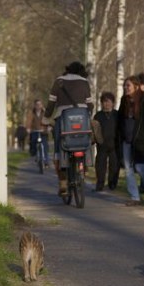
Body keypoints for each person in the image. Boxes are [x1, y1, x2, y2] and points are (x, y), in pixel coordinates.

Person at [43, 61, 94, 196]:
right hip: (82, 118)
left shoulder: (59, 81)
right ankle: (85, 165)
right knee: (85, 139)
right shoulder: (84, 82)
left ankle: (63, 183)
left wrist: (46, 118)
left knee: (59, 149)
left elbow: (51, 104)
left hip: (63, 118)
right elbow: (90, 105)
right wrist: (88, 114)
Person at [118, 76, 144, 206]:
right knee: (128, 168)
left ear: (136, 86)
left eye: (128, 85)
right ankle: (134, 197)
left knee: (140, 167)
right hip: (126, 140)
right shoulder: (124, 100)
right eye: (125, 86)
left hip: (140, 140)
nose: (126, 88)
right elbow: (120, 119)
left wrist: (141, 133)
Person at [93, 92, 120, 191]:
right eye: (104, 102)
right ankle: (100, 184)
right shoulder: (98, 116)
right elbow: (95, 130)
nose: (106, 104)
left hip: (114, 144)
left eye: (108, 102)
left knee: (114, 165)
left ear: (113, 103)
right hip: (101, 144)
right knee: (100, 166)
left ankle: (112, 184)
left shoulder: (117, 115)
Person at [26, 99, 50, 167]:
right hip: (35, 131)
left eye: (40, 104)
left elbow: (48, 120)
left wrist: (49, 127)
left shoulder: (44, 112)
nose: (38, 106)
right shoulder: (32, 113)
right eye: (37, 104)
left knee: (45, 145)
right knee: (33, 142)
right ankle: (34, 153)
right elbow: (29, 121)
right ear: (34, 105)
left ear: (42, 105)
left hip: (43, 132)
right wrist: (28, 128)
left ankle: (46, 161)